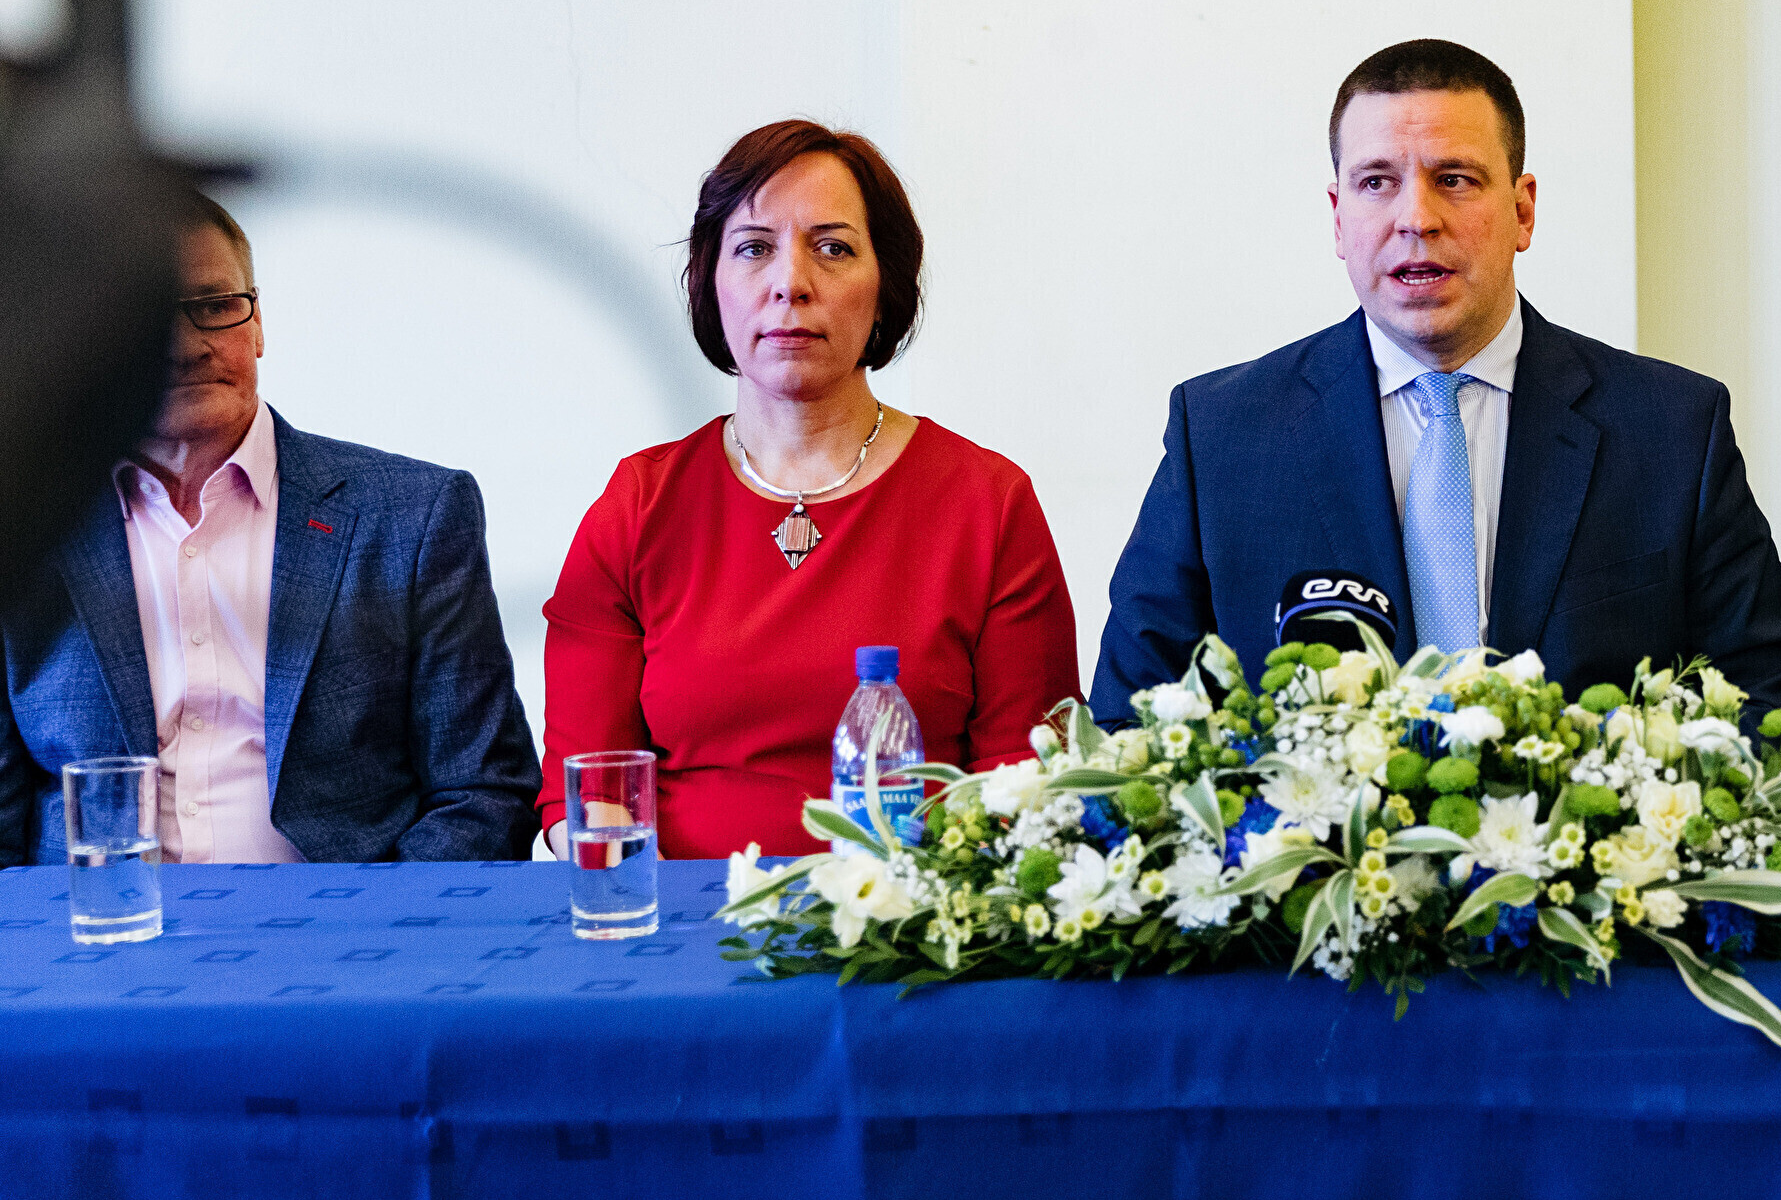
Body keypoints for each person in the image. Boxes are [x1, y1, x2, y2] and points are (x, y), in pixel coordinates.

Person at [1091, 39, 1781, 730]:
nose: (1417, 218)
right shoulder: (1222, 434)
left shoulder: (1671, 428)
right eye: (1377, 182)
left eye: (1455, 180)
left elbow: (1770, 697)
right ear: (1339, 218)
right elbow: (1130, 719)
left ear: (1522, 210)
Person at [540, 121, 1079, 860]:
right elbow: (592, 784)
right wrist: (656, 903)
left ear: (886, 287)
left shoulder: (988, 502)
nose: (790, 283)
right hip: (684, 915)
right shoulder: (639, 503)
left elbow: (1026, 778)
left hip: (916, 917)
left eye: (833, 248)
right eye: (754, 248)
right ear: (709, 284)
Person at [0, 192, 536, 864]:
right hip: (103, 920)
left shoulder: (414, 516)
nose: (187, 347)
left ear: (257, 324)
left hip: (347, 920)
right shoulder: (27, 530)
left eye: (215, 306)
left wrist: (371, 923)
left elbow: (482, 793)